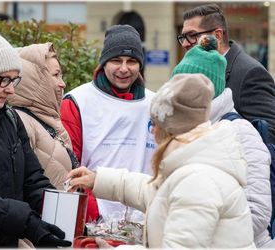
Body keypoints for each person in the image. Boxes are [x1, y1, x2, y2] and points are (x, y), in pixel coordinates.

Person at [66, 73, 255, 248]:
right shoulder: (194, 163)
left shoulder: (197, 180)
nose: (152, 130)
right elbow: (155, 193)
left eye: (155, 124)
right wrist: (97, 179)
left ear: (171, 129)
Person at [172, 34, 273, 248]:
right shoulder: (185, 131)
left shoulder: (242, 134)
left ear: (206, 91)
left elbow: (257, 212)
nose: (177, 95)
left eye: (185, 88)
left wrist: (194, 231)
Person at [0, 27, 71, 247]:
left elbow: (33, 179)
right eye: (4, 80)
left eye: (14, 80)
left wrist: (63, 215)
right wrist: (24, 220)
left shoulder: (9, 119)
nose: (11, 90)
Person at [61, 24, 156, 223]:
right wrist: (94, 216)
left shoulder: (156, 103)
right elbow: (67, 167)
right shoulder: (77, 101)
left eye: (131, 61)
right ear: (103, 63)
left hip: (145, 220)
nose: (124, 68)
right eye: (116, 60)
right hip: (95, 221)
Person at [176, 3, 275, 144]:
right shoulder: (193, 69)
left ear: (217, 36)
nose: (185, 44)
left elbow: (269, 134)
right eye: (183, 37)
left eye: (192, 35)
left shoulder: (250, 73)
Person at [7, 43, 78, 191]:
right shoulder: (23, 123)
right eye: (55, 75)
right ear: (35, 80)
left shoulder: (45, 119)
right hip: (42, 214)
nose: (62, 84)